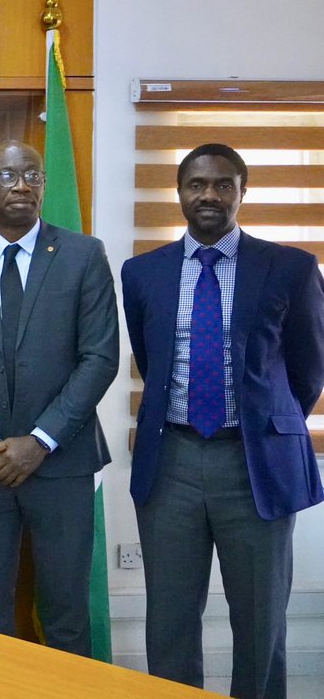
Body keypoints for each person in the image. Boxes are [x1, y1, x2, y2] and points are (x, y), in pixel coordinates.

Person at [121, 143, 324, 699]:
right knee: (169, 618)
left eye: (222, 185)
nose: (209, 195)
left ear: (241, 191)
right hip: (173, 462)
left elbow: (308, 370)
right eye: (197, 184)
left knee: (261, 622)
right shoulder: (142, 273)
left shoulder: (290, 267)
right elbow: (150, 359)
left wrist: (267, 423)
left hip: (257, 465)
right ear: (180, 192)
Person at [0, 140, 118, 655]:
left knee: (65, 614)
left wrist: (40, 440)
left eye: (32, 175)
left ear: (43, 185)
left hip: (62, 462)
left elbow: (100, 358)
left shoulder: (83, 254)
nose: (21, 185)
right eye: (8, 176)